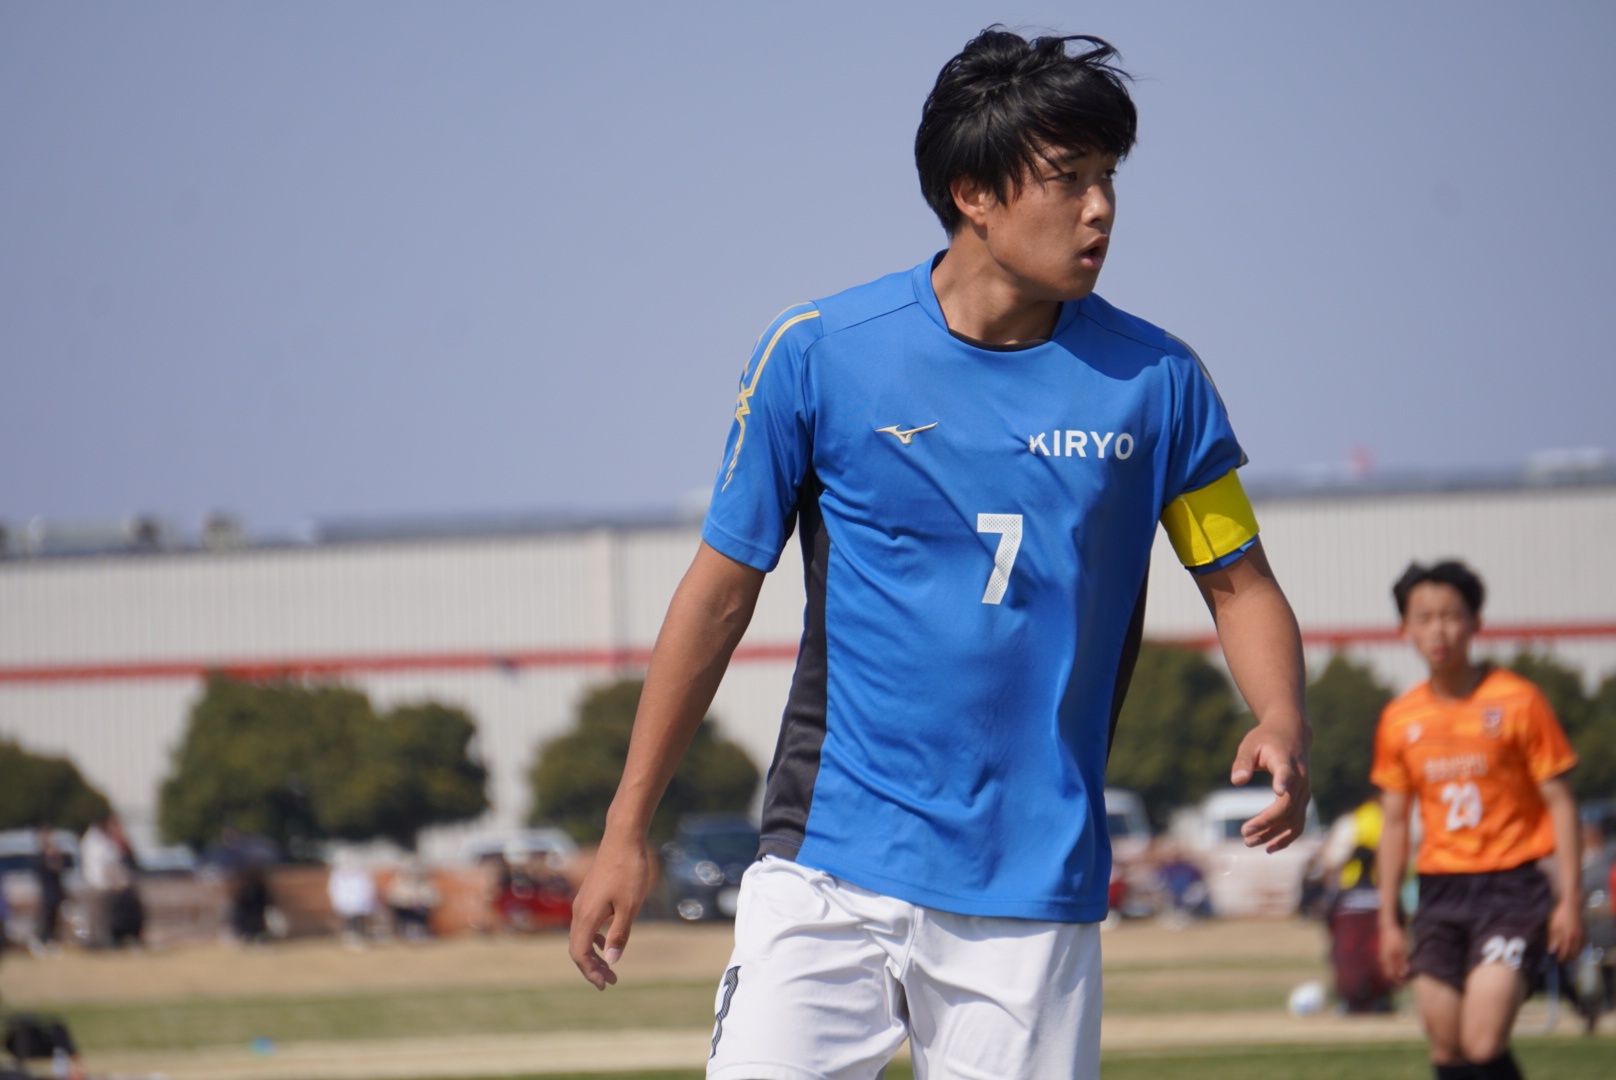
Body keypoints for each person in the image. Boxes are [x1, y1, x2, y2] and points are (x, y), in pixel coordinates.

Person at [568, 28, 1312, 1079]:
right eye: (1068, 178)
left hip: (1031, 889)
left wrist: (1280, 715)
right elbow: (717, 597)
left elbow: (1238, 584)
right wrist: (626, 826)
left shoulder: (1158, 384)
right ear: (973, 193)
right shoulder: (817, 355)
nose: (1100, 208)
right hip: (826, 864)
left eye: (1108, 177)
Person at [1372, 560, 1582, 1080]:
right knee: (1448, 1048)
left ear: (1475, 622)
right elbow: (1394, 824)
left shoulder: (1519, 701)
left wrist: (1571, 899)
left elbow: (1561, 803)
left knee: (1483, 1041)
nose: (1438, 631)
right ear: (1405, 628)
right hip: (1440, 893)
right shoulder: (1399, 718)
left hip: (1512, 889)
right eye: (1424, 618)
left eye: (1451, 615)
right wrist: (1388, 919)